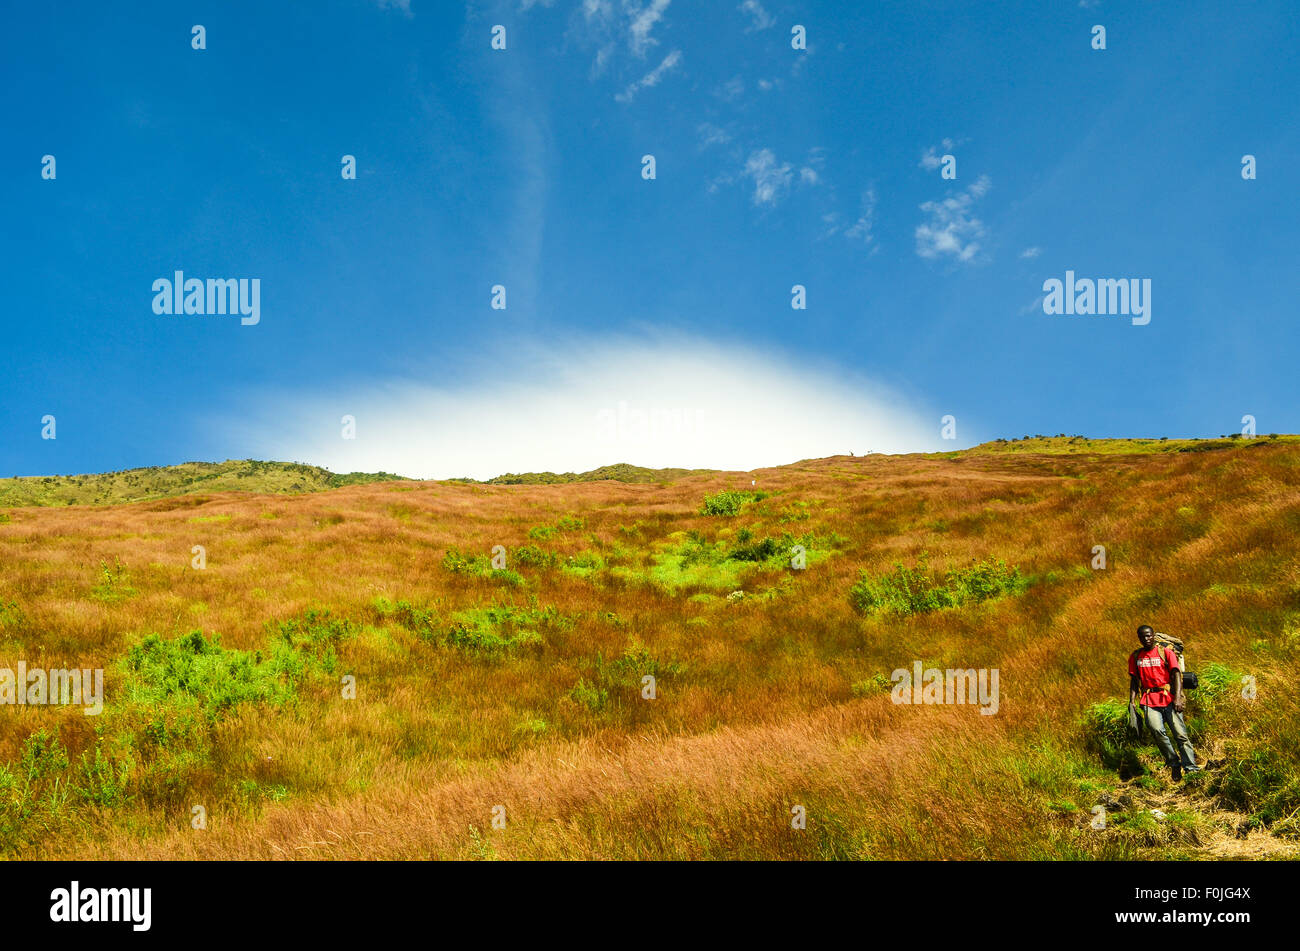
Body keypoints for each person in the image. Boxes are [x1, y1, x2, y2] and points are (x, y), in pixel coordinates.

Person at [1128, 624, 1199, 780]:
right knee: (1157, 731)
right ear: (1139, 638)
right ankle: (1173, 763)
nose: (1146, 639)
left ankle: (1191, 769)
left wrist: (1178, 697)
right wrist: (1132, 701)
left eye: (1148, 635)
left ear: (1153, 635)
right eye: (1142, 637)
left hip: (1169, 699)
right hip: (1148, 700)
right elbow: (1134, 680)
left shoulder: (1166, 653)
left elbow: (1176, 676)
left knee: (1180, 735)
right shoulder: (1135, 657)